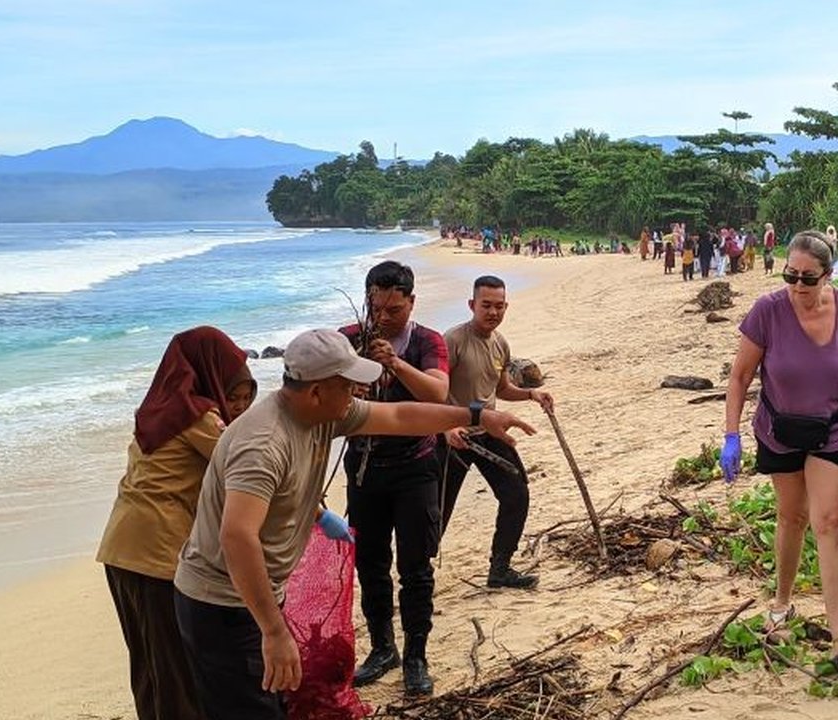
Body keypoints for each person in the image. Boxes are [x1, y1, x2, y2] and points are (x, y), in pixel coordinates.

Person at [173, 328, 534, 720]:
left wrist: (478, 415)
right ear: (315, 391)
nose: (358, 394)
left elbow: (399, 415)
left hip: (255, 597)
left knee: (279, 703)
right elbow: (237, 536)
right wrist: (274, 632)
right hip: (221, 605)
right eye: (348, 386)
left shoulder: (323, 414)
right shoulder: (264, 443)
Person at [718, 230, 838, 680]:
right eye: (790, 276)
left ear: (828, 275)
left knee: (830, 522)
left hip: (834, 428)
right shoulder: (767, 311)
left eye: (807, 278)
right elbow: (740, 376)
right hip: (779, 429)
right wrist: (731, 436)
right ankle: (781, 602)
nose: (797, 286)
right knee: (791, 517)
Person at [97, 326, 257, 720]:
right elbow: (247, 472)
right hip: (157, 555)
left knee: (150, 664)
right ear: (210, 376)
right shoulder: (199, 417)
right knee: (175, 668)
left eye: (245, 398)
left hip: (121, 548)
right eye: (232, 395)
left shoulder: (160, 407)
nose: (238, 407)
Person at [338, 261, 450, 696]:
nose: (384, 318)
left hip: (415, 465)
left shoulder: (426, 341)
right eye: (376, 309)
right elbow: (321, 399)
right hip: (364, 466)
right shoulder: (348, 339)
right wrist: (352, 386)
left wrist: (395, 365)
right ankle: (383, 647)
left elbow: (438, 394)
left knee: (416, 566)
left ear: (411, 303)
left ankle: (416, 654)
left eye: (394, 310)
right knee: (370, 563)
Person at [438, 276, 554, 589]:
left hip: (489, 432)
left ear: (506, 307)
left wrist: (532, 395)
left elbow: (501, 389)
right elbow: (435, 391)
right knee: (436, 513)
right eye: (486, 305)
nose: (493, 312)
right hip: (453, 438)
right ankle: (418, 574)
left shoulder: (500, 343)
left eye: (499, 306)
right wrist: (448, 427)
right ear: (472, 305)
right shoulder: (453, 341)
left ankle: (500, 568)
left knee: (516, 494)